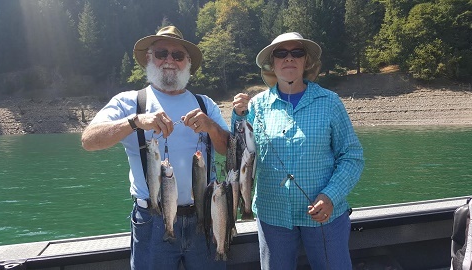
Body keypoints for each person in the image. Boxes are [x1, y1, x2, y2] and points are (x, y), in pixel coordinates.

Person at [81, 26, 229, 270]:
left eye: (178, 55)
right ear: (149, 59)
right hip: (152, 219)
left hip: (206, 215)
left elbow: (227, 149)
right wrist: (135, 121)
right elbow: (89, 140)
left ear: (188, 63)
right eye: (161, 53)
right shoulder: (129, 102)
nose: (169, 60)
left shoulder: (205, 104)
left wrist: (212, 127)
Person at [231, 32, 364, 269]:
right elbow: (239, 152)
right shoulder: (256, 106)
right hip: (273, 216)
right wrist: (237, 116)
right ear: (272, 63)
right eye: (281, 54)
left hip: (326, 216)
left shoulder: (330, 101)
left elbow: (352, 157)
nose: (288, 58)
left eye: (297, 53)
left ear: (306, 61)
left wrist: (330, 196)